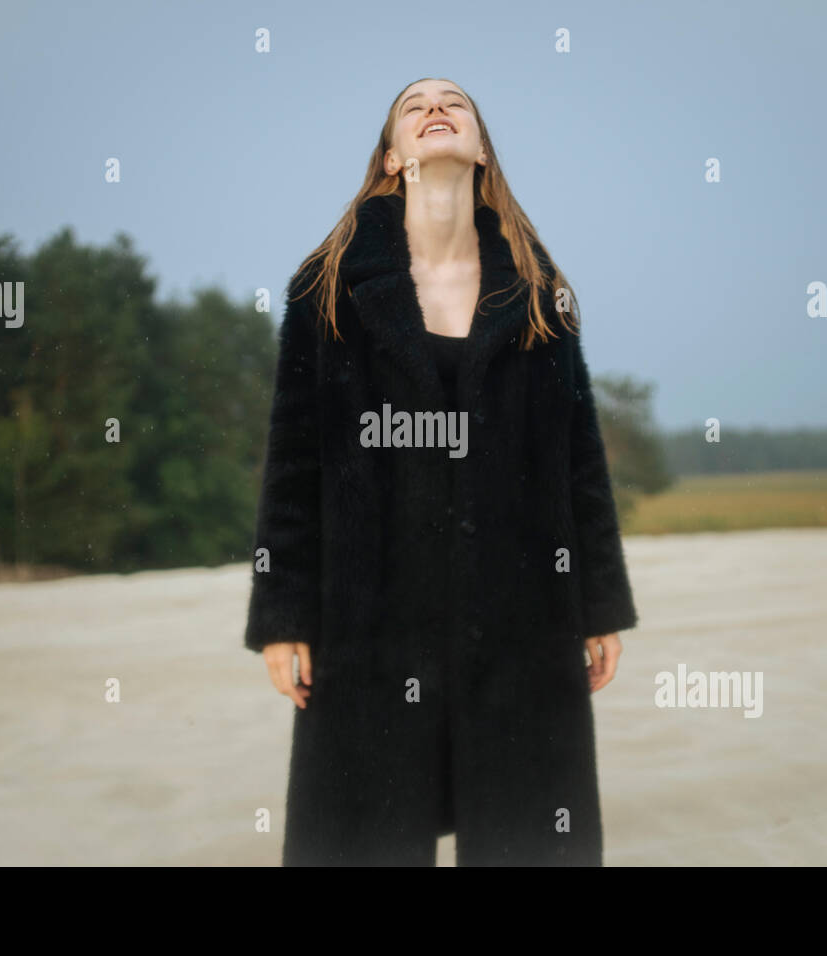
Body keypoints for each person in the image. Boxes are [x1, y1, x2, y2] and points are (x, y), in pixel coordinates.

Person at [244, 76, 638, 866]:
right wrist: (284, 614)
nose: (436, 107)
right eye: (414, 104)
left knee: (530, 837)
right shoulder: (327, 292)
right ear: (393, 157)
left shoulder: (537, 292)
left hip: (522, 612)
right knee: (363, 838)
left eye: (454, 101)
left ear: (480, 149)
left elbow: (578, 456)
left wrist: (597, 600)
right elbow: (294, 461)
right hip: (370, 614)